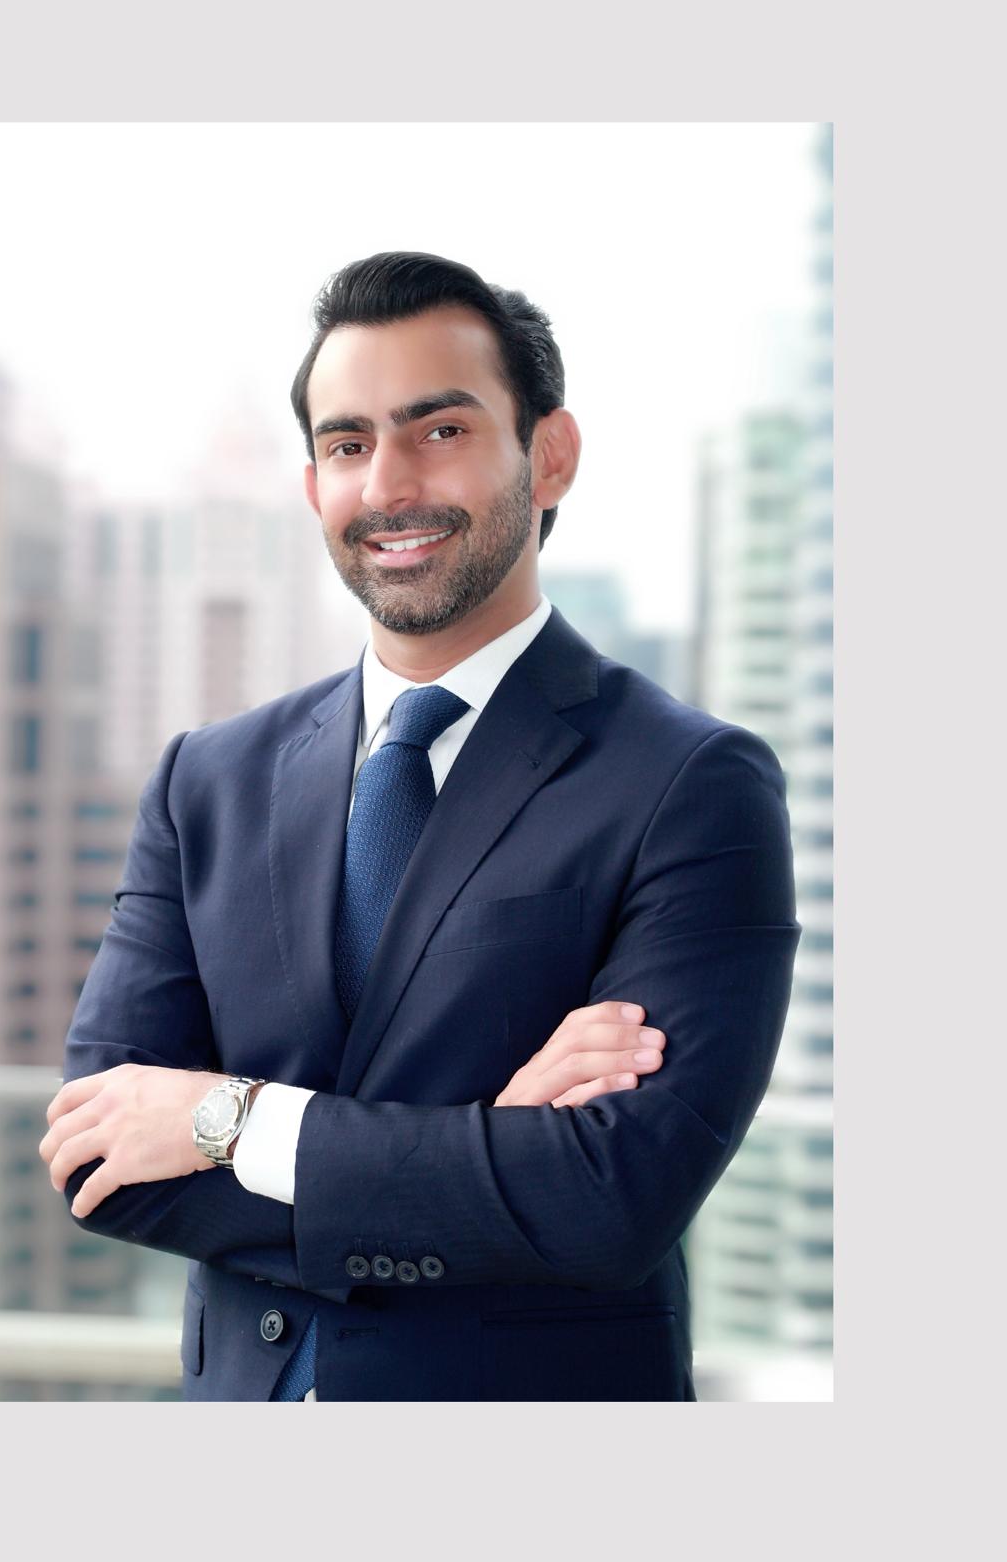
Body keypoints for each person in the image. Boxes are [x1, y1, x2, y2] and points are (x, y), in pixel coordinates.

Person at [40, 250, 799, 1401]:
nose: (388, 484)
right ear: (313, 487)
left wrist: (225, 1117)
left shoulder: (692, 784)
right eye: (347, 444)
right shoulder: (209, 779)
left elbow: (608, 1202)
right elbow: (103, 1160)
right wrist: (480, 1159)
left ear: (550, 455)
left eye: (439, 430)